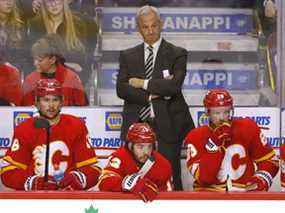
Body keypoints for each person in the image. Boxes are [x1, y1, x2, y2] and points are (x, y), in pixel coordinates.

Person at [116, 5, 195, 190]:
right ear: (138, 28)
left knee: (171, 176)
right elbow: (121, 89)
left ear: (161, 24)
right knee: (132, 178)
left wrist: (142, 83)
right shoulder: (127, 55)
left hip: (168, 124)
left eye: (154, 25)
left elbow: (174, 86)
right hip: (136, 123)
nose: (150, 31)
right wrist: (155, 93)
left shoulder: (177, 53)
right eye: (145, 27)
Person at [0, 78, 101, 190]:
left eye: (55, 100)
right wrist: (32, 182)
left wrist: (78, 178)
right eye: (46, 100)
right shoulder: (25, 129)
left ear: (62, 102)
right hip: (33, 200)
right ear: (37, 103)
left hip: (68, 197)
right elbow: (8, 172)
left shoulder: (76, 126)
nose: (51, 105)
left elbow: (93, 170)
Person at [184, 88, 279, 191]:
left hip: (242, 195)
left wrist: (260, 180)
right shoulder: (195, 136)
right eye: (217, 113)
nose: (222, 117)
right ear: (207, 112)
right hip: (209, 197)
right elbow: (205, 179)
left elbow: (270, 161)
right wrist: (214, 147)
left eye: (226, 112)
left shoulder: (247, 128)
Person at [27, 0, 98, 86]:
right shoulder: (36, 25)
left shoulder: (80, 23)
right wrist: (67, 64)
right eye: (49, 1)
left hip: (72, 80)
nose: (54, 4)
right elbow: (36, 58)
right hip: (44, 81)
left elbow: (80, 60)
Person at [98, 122, 172, 202]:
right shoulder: (120, 157)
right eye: (140, 147)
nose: (146, 152)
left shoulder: (163, 164)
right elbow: (104, 181)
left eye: (149, 146)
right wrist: (130, 183)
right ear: (130, 146)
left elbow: (167, 197)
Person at [22, 33, 88, 106]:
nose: (35, 63)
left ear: (53, 59)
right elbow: (24, 111)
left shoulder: (72, 79)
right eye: (34, 59)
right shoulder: (30, 80)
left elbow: (83, 109)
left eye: (39, 60)